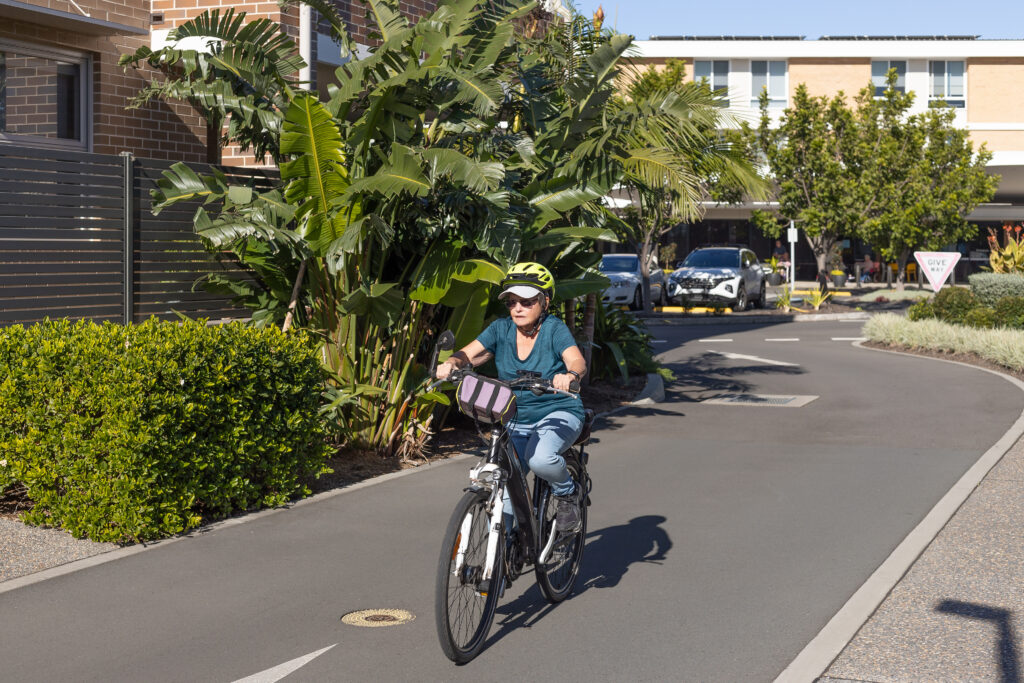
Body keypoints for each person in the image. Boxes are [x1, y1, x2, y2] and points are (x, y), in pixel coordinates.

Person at [435, 262, 587, 532]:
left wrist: (571, 376)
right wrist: (451, 364)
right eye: (512, 302)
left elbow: (576, 360)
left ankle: (567, 492)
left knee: (540, 460)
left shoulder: (554, 329)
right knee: (502, 481)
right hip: (515, 417)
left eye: (527, 302)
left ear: (545, 301)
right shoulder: (500, 329)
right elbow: (469, 354)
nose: (518, 308)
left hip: (557, 412)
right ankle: (503, 555)